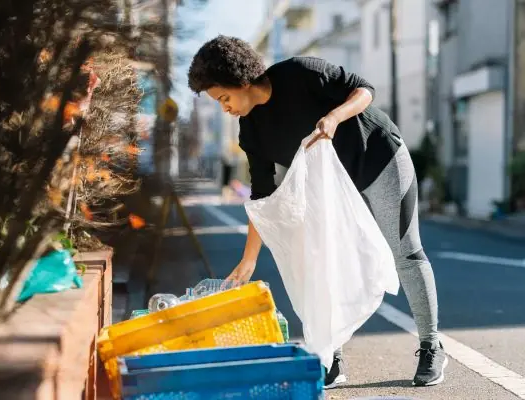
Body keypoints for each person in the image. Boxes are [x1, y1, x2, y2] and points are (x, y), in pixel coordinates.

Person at [187, 35, 447, 388]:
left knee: (405, 251)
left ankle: (432, 345)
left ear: (242, 81)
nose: (225, 108)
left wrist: (334, 117)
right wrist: (248, 260)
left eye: (224, 98)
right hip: (330, 189)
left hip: (378, 160)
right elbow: (262, 197)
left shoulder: (299, 73)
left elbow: (364, 90)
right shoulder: (251, 130)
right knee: (323, 263)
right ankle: (332, 359)